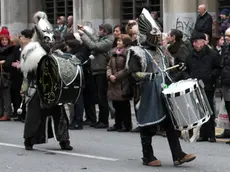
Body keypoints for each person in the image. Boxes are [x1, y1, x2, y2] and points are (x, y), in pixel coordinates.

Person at [125, 8, 196, 167]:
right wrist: (147, 76)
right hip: (145, 94)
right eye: (155, 37)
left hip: (163, 91)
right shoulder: (136, 52)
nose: (158, 40)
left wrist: (178, 68)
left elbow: (168, 68)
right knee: (147, 126)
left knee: (170, 124)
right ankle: (147, 156)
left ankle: (178, 155)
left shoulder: (162, 51)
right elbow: (133, 74)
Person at [19, 12, 73, 151]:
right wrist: (24, 89)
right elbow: (27, 74)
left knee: (60, 116)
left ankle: (64, 141)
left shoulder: (55, 51)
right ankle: (29, 140)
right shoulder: (31, 51)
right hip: (36, 88)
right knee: (34, 117)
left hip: (54, 88)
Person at [183, 32, 221, 142]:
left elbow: (218, 68)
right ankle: (203, 135)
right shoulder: (190, 55)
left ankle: (211, 134)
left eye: (197, 42)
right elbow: (186, 69)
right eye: (193, 42)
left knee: (209, 110)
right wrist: (188, 78)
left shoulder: (212, 54)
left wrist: (211, 76)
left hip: (208, 85)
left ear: (203, 42)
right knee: (200, 111)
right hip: (195, 86)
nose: (195, 44)